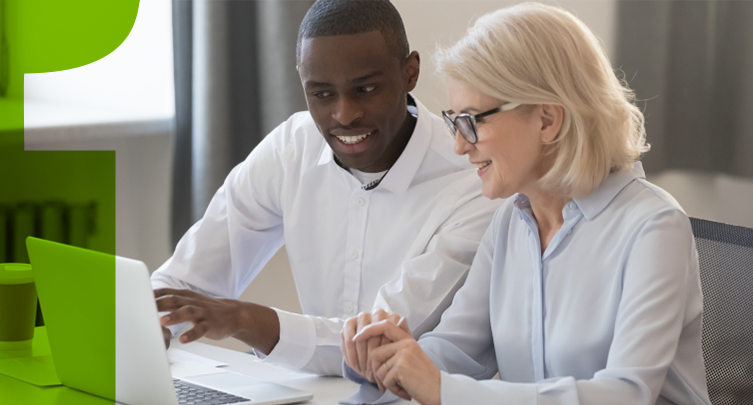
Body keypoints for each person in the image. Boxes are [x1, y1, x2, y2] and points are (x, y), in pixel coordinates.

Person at [341, 3, 712, 404]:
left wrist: (440, 389)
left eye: (472, 120)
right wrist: (385, 360)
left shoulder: (654, 227)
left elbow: (626, 394)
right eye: (454, 121)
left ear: (548, 120)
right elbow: (456, 351)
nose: (460, 145)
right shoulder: (509, 223)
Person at [150, 0, 502, 377]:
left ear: (410, 72)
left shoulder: (471, 180)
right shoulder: (292, 147)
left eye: (366, 89)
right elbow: (183, 281)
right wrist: (149, 322)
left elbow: (379, 342)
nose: (344, 114)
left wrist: (242, 318)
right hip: (311, 395)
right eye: (321, 94)